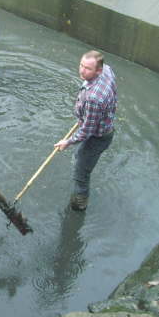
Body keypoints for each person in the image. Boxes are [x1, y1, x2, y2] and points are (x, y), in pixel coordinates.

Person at [54, 50, 117, 211]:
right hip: (101, 122)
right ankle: (81, 160)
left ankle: (79, 204)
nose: (82, 70)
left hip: (98, 137)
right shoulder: (107, 70)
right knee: (80, 157)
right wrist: (85, 116)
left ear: (98, 70)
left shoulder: (93, 99)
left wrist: (67, 142)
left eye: (87, 69)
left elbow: (86, 132)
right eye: (81, 65)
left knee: (81, 175)